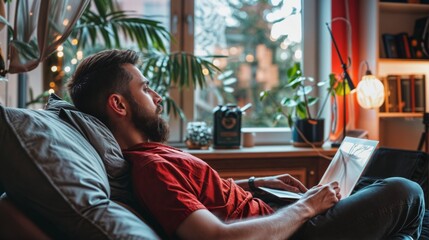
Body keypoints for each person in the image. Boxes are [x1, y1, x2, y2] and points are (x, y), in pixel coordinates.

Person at [67, 49, 425, 239]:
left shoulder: (156, 156)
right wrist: (305, 208)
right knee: (406, 191)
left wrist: (255, 184)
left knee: (362, 186)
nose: (158, 97)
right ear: (118, 104)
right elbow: (216, 239)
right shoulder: (152, 169)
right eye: (145, 88)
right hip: (290, 232)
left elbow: (194, 196)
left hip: (276, 214)